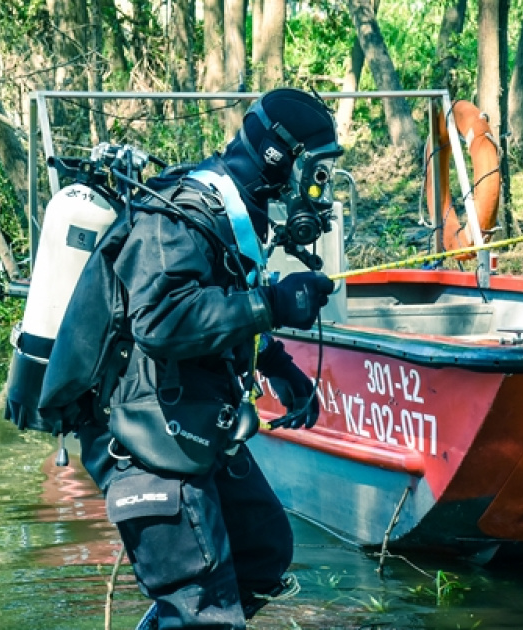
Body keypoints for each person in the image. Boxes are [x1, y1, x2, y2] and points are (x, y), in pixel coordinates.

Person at [52, 87, 340, 629]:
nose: (319, 187)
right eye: (317, 169)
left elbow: (223, 302)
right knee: (202, 607)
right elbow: (161, 321)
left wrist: (277, 363)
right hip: (139, 428)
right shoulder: (183, 212)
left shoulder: (236, 213)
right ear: (283, 155)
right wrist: (273, 302)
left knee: (262, 551)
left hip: (192, 415)